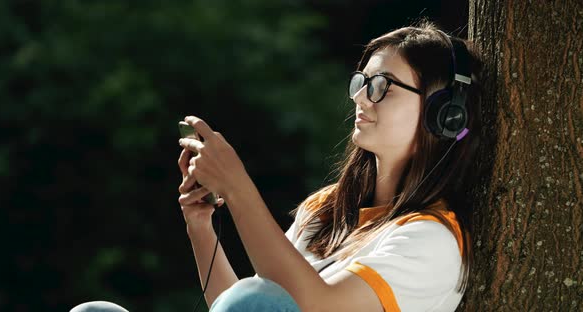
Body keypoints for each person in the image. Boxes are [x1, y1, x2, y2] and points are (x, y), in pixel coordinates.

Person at [71, 20, 482, 312]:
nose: (360, 98)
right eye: (361, 82)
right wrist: (200, 228)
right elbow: (243, 308)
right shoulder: (325, 209)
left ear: (443, 114)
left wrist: (237, 187)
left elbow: (315, 306)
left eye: (382, 87)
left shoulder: (431, 242)